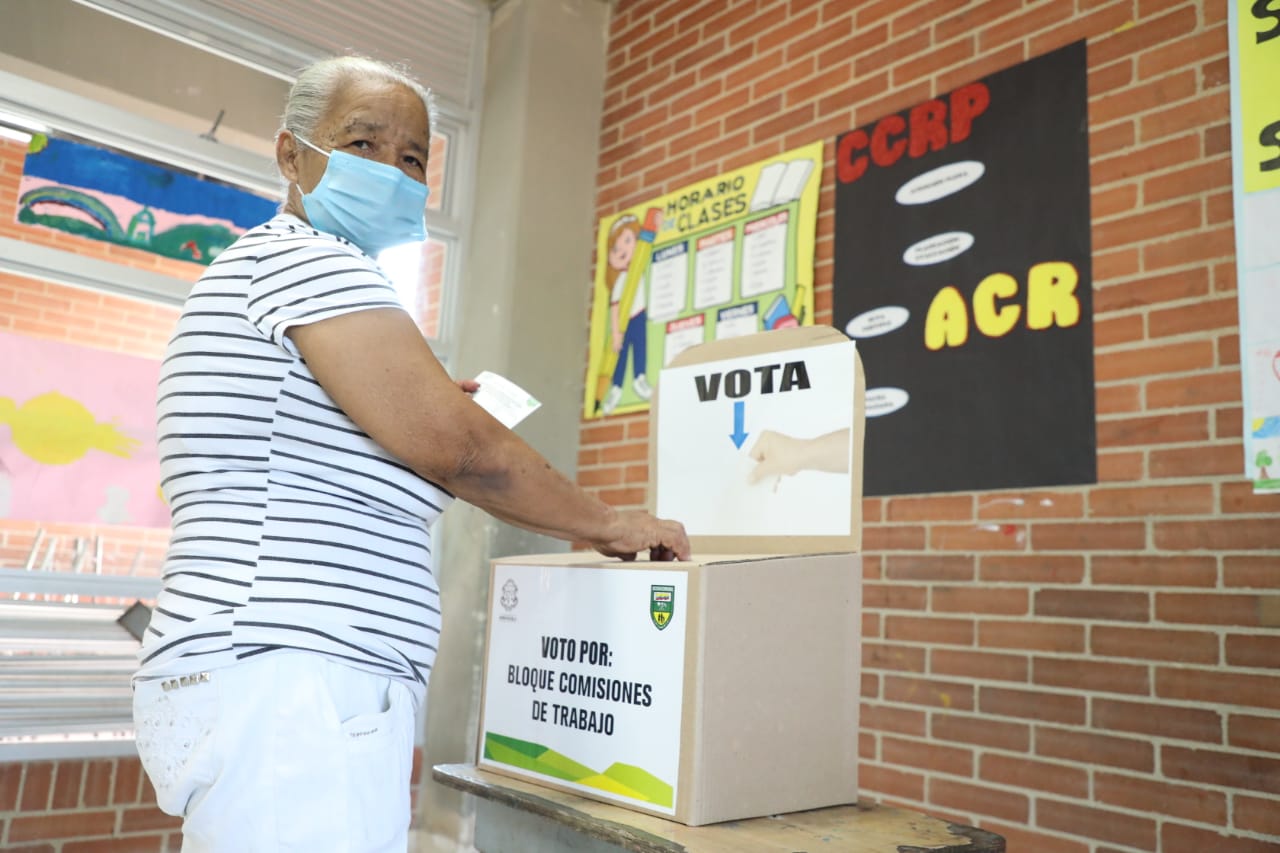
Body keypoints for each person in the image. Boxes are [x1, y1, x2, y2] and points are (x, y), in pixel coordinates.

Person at [133, 55, 689, 853]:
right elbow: (463, 452)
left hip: (273, 675)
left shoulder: (276, 269)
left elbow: (416, 447)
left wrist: (431, 427)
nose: (392, 171)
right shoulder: (307, 260)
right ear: (292, 154)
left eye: (413, 159)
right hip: (295, 679)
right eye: (362, 143)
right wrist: (609, 523)